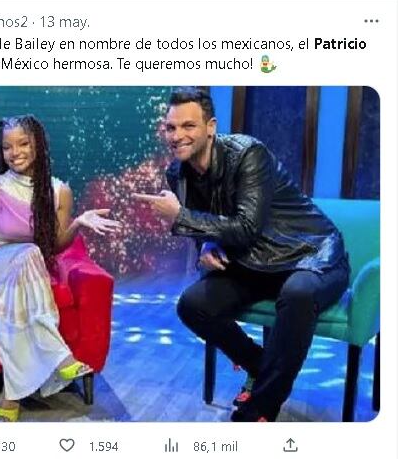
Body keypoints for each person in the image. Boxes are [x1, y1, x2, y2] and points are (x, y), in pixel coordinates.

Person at [134, 87, 349, 422]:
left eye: (188, 126)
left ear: (210, 127)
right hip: (253, 262)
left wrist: (180, 216)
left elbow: (246, 226)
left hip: (310, 254)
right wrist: (206, 246)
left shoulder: (248, 154)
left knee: (298, 293)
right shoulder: (178, 173)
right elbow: (205, 225)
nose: (177, 136)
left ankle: (261, 408)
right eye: (171, 128)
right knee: (192, 305)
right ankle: (262, 367)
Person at [0, 115, 121, 421]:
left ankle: (11, 395)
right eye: (7, 147)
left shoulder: (59, 191)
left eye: (23, 144)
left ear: (37, 145)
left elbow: (55, 245)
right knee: (30, 253)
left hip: (28, 268)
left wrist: (78, 223)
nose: (14, 152)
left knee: (27, 263)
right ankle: (60, 357)